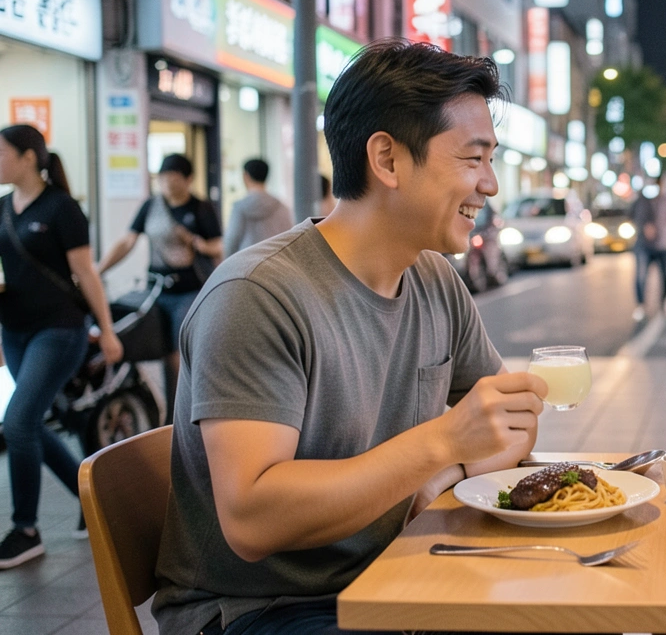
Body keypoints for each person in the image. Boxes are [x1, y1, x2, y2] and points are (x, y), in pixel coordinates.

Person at [153, 39, 548, 635]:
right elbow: (253, 519)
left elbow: (511, 424)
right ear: (387, 160)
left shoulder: (433, 277)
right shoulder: (258, 295)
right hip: (264, 611)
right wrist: (441, 445)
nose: (490, 185)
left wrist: (443, 475)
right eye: (473, 159)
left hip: (390, 576)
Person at [0, 125, 122, 569]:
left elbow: (85, 274)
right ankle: (97, 504)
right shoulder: (1, 208)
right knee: (28, 423)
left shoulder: (61, 208)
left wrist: (106, 330)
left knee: (17, 423)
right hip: (13, 331)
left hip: (59, 329)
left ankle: (26, 530)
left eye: (2, 152)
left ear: (29, 157)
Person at [99, 153, 222, 420]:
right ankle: (170, 415)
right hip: (157, 291)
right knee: (163, 353)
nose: (167, 183)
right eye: (163, 177)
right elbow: (128, 242)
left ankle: (181, 417)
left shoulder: (200, 208)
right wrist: (99, 269)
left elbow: (218, 245)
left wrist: (194, 242)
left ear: (188, 179)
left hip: (191, 290)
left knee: (178, 355)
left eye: (173, 177)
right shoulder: (151, 206)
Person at [223, 158, 292, 257]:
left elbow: (231, 242)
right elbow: (289, 239)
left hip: (246, 266)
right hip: (275, 265)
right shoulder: (281, 207)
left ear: (245, 176)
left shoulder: (239, 208)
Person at [630, 172, 666, 321]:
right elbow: (631, 215)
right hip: (643, 245)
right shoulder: (640, 201)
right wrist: (644, 226)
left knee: (665, 277)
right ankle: (641, 305)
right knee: (641, 276)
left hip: (663, 245)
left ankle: (663, 304)